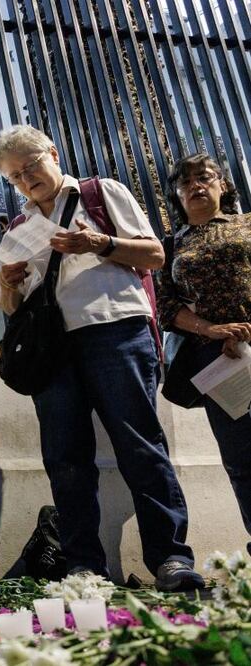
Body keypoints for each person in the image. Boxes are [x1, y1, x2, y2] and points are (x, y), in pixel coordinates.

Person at [0, 124, 203, 591]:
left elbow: (153, 255)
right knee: (65, 459)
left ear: (52, 151)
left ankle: (170, 558)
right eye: (15, 177)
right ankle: (84, 567)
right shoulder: (18, 228)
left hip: (115, 331)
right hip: (52, 351)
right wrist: (7, 283)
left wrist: (98, 243)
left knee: (140, 445)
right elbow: (7, 306)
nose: (27, 181)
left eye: (31, 167)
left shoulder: (99, 192)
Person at [156, 153, 251, 549]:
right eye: (185, 183)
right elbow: (165, 307)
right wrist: (211, 330)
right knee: (241, 460)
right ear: (177, 196)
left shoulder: (247, 226)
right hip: (218, 363)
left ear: (223, 185)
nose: (195, 186)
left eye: (204, 178)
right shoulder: (171, 245)